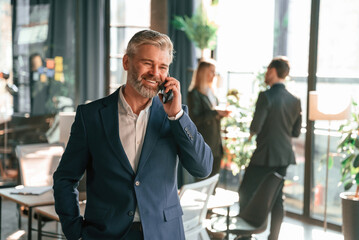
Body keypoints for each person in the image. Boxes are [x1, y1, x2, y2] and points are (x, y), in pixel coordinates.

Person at [53, 29, 213, 240]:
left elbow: (202, 168)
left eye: (162, 67)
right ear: (127, 62)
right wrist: (75, 232)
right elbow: (65, 178)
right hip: (106, 234)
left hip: (163, 234)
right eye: (147, 63)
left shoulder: (175, 115)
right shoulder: (90, 116)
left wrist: (177, 116)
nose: (155, 73)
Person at [237, 56, 302, 240]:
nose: (266, 74)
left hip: (265, 155)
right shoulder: (295, 100)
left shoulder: (265, 96)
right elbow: (296, 132)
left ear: (273, 71)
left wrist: (252, 132)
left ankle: (244, 235)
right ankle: (273, 237)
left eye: (267, 70)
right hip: (284, 156)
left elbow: (255, 128)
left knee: (245, 191)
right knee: (276, 198)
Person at [187, 59, 230, 178]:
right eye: (211, 71)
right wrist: (215, 112)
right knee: (203, 180)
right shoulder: (194, 93)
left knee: (213, 181)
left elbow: (212, 116)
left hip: (216, 144)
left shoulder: (212, 93)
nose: (214, 75)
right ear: (203, 73)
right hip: (204, 144)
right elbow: (195, 119)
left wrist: (220, 114)